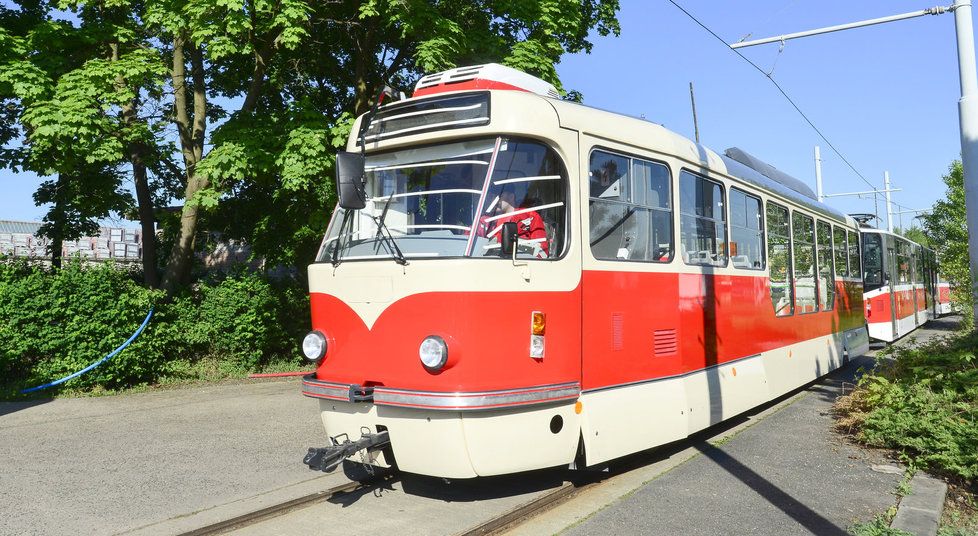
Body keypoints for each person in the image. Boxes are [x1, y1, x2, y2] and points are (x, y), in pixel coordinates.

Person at [478, 188, 549, 257]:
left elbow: (542, 253)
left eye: (499, 196)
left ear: (511, 196)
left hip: (519, 264)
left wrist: (513, 242)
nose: (495, 200)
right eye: (492, 196)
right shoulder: (488, 221)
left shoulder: (530, 217)